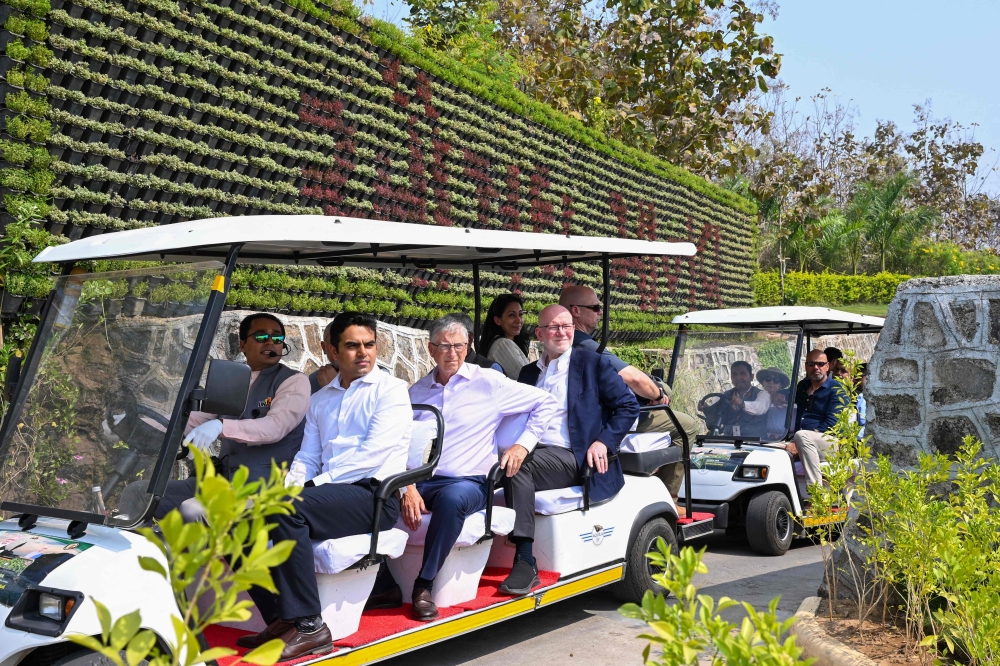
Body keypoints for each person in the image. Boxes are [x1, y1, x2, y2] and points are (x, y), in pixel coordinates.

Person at [236, 312, 413, 660]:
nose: (363, 353)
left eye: (369, 345)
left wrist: (310, 488)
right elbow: (307, 457)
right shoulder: (320, 401)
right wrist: (288, 485)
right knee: (240, 516)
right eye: (352, 346)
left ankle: (309, 625)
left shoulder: (391, 391)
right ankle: (280, 618)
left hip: (374, 497)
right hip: (328, 496)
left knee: (289, 509)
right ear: (331, 350)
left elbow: (370, 457)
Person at [405, 314, 558, 621]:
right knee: (372, 492)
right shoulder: (416, 392)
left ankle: (423, 585)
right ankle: (379, 583)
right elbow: (397, 443)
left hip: (469, 482)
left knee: (452, 500)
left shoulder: (488, 382)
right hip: (420, 480)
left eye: (459, 346)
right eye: (444, 346)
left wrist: (522, 445)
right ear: (429, 349)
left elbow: (546, 403)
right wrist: (405, 487)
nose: (452, 353)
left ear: (469, 345)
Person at [501, 305, 639, 594]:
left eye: (566, 326)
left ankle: (525, 558)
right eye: (553, 327)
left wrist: (604, 441)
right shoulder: (528, 373)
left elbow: (628, 405)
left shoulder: (593, 364)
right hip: (536, 451)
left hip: (575, 455)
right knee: (492, 462)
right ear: (540, 333)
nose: (561, 332)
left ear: (574, 330)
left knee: (518, 464)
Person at [154, 313, 310, 521]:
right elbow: (194, 420)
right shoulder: (233, 380)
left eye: (278, 338)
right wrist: (137, 424)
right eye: (262, 337)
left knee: (193, 510)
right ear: (243, 344)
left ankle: (209, 555)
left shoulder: (294, 381)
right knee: (142, 492)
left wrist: (221, 426)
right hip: (223, 481)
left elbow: (275, 426)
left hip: (264, 488)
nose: (271, 342)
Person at [559, 285, 698, 500]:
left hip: (588, 413)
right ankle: (668, 498)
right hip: (606, 417)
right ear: (575, 310)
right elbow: (632, 377)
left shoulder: (563, 343)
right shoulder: (584, 344)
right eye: (595, 307)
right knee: (687, 426)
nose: (600, 312)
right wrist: (658, 395)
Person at [788, 349, 847, 488]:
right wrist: (776, 396)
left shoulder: (836, 389)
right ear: (806, 366)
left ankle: (816, 493)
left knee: (802, 436)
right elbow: (786, 396)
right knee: (770, 448)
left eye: (820, 364)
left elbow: (833, 422)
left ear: (827, 366)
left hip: (830, 441)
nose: (816, 367)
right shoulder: (802, 386)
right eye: (811, 364)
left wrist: (799, 442)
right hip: (799, 439)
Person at [697, 361, 770, 438]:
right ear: (731, 378)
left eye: (742, 373)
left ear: (751, 377)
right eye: (735, 374)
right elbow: (717, 415)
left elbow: (760, 407)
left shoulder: (762, 394)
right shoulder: (725, 395)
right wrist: (706, 408)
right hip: (730, 443)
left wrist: (742, 404)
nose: (739, 378)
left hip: (756, 444)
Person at [480, 294, 531, 379]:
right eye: (511, 315)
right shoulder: (503, 345)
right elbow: (526, 379)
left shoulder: (507, 343)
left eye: (520, 314)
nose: (518, 320)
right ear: (498, 320)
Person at [757, 366, 792, 441]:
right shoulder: (755, 398)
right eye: (768, 379)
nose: (771, 382)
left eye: (776, 380)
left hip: (781, 440)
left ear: (781, 385)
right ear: (763, 382)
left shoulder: (784, 400)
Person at [308, 320, 340, 394]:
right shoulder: (313, 381)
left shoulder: (369, 379)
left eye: (350, 345)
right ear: (324, 347)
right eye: (334, 344)